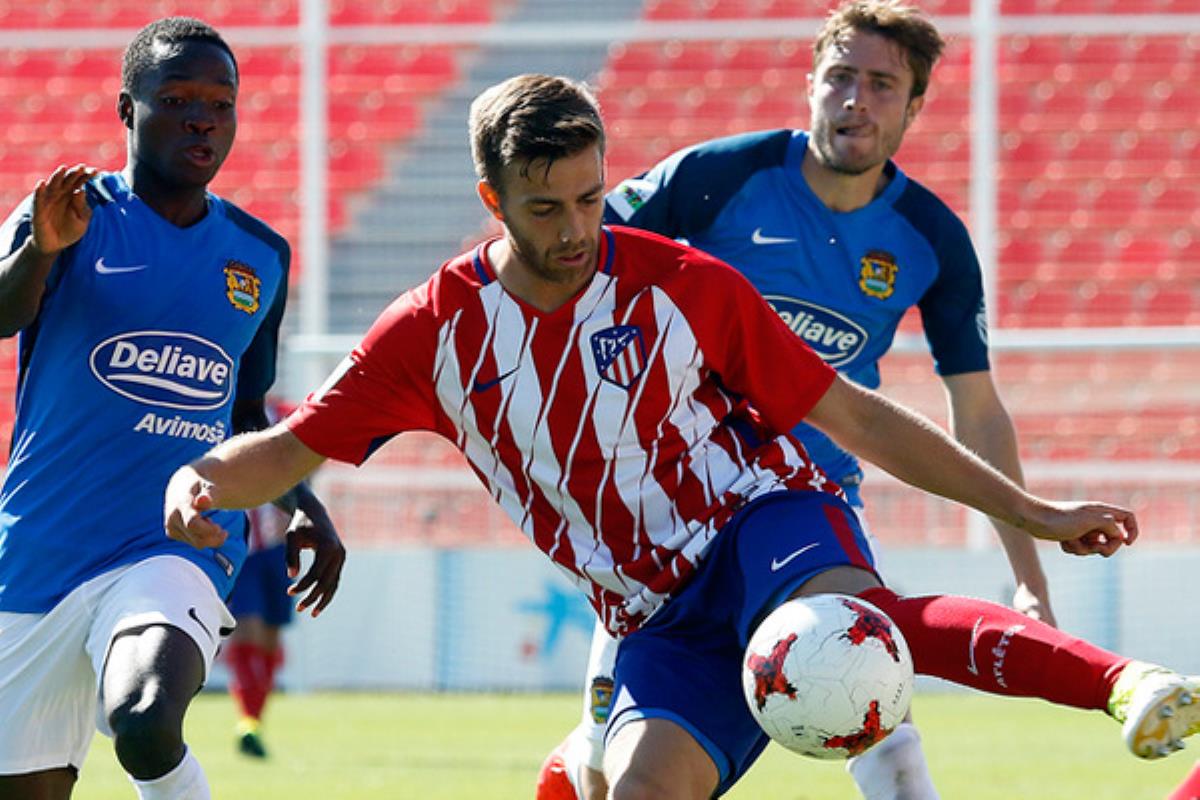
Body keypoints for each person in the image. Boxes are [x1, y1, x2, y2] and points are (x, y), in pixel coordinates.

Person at [165, 73, 1198, 800]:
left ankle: (1122, 681)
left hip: (761, 513)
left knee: (854, 619)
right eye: (543, 206)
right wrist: (203, 475)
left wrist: (1029, 508)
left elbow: (851, 413)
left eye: (587, 195)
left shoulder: (682, 281)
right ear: (493, 200)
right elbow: (291, 445)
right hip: (649, 607)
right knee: (641, 787)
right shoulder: (433, 332)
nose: (575, 228)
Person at [541, 2, 1053, 798]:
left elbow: (978, 411)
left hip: (809, 508)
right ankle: (581, 753)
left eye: (882, 84)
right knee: (606, 774)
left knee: (880, 722)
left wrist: (1029, 572)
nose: (856, 99)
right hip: (677, 515)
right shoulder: (718, 179)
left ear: (914, 107)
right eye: (841, 77)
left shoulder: (931, 240)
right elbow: (569, 263)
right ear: (810, 83)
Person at [0, 18, 345, 800]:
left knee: (147, 716)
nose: (203, 119)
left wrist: (298, 500)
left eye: (221, 104)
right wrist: (40, 252)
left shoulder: (260, 256)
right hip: (38, 551)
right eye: (178, 99)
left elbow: (247, 408)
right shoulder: (69, 212)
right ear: (128, 109)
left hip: (174, 541)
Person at [224, 425, 297, 759]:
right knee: (247, 632)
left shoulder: (283, 414)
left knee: (270, 639)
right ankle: (247, 721)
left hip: (275, 550)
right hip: (242, 550)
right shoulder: (225, 409)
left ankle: (254, 719)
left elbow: (312, 453)